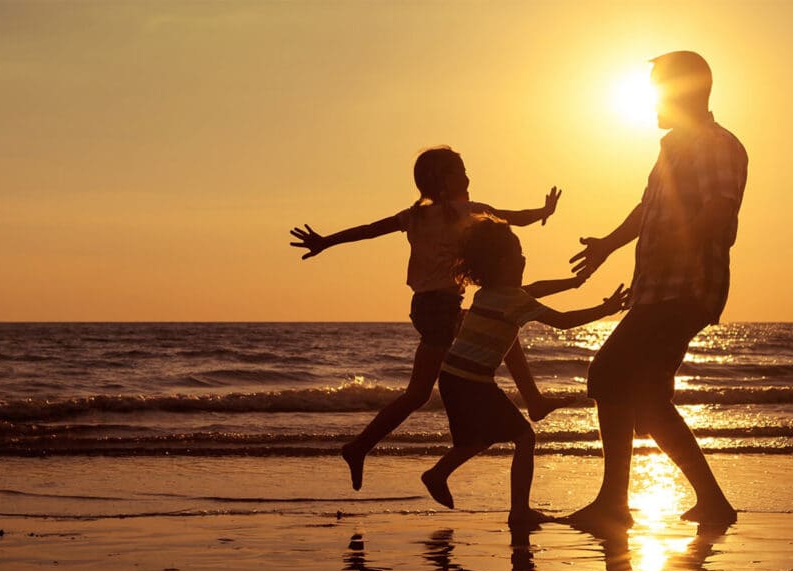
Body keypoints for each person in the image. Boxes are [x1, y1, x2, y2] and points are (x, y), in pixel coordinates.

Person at [290, 146, 576, 491]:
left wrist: (326, 242)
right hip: (440, 309)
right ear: (441, 181)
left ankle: (359, 446)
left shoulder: (417, 216)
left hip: (426, 307)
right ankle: (532, 400)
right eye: (460, 171)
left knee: (465, 357)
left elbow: (367, 230)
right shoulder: (460, 212)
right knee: (443, 373)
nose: (468, 176)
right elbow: (509, 217)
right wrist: (543, 211)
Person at [566, 51, 747, 528]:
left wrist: (677, 242)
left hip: (685, 288)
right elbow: (647, 208)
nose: (650, 103)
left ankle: (614, 503)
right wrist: (608, 243)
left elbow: (720, 210)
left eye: (657, 92)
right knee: (646, 398)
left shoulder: (714, 144)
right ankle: (711, 502)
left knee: (607, 374)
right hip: (659, 289)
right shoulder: (673, 149)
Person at [421, 216, 630, 526]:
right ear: (505, 263)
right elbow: (564, 320)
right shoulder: (515, 300)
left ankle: (437, 474)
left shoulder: (488, 293)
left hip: (452, 378)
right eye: (519, 255)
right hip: (473, 383)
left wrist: (573, 282)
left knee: (476, 440)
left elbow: (538, 288)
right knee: (524, 438)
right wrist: (604, 310)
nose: (525, 259)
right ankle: (519, 510)